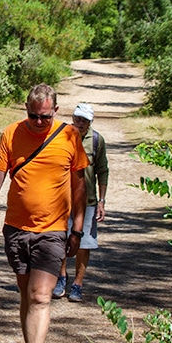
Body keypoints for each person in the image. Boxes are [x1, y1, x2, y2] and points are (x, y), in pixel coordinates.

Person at [0, 84, 87, 343]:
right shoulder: (11, 134)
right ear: (26, 109)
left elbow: (78, 185)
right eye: (33, 116)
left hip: (53, 230)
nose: (38, 122)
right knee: (26, 293)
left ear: (55, 111)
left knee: (39, 295)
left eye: (44, 117)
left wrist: (77, 227)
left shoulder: (70, 136)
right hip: (17, 229)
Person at [55, 103, 109, 303]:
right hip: (61, 199)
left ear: (90, 122)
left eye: (84, 120)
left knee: (84, 244)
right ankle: (61, 277)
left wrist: (102, 201)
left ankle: (78, 283)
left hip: (87, 202)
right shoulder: (62, 135)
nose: (80, 123)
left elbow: (102, 170)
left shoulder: (96, 141)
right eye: (78, 118)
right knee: (60, 239)